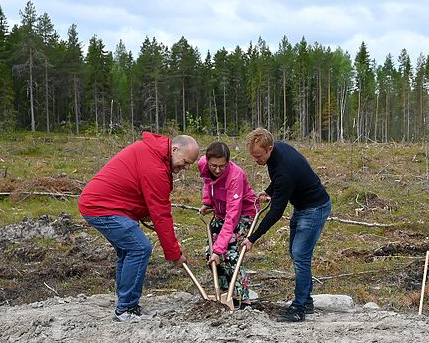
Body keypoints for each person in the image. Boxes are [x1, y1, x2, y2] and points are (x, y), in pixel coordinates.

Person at [78, 131, 199, 322]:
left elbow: (139, 191)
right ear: (174, 149)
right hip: (101, 206)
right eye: (185, 162)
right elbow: (162, 215)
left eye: (189, 165)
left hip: (106, 205)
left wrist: (143, 212)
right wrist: (174, 253)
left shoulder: (154, 154)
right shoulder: (155, 166)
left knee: (129, 251)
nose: (185, 167)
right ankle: (125, 308)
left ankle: (127, 305)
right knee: (139, 248)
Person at [240, 128, 331, 322]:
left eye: (258, 156)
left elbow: (276, 213)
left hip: (315, 208)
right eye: (253, 156)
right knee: (295, 252)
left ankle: (299, 308)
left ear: (269, 148)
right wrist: (269, 191)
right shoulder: (277, 154)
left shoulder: (284, 168)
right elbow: (280, 182)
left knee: (300, 255)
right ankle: (306, 300)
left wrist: (252, 238)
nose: (256, 161)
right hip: (302, 206)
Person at [198, 142, 258, 306]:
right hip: (221, 212)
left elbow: (232, 216)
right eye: (213, 166)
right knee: (210, 254)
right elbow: (207, 182)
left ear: (228, 162)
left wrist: (219, 250)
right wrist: (208, 202)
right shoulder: (203, 165)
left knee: (230, 255)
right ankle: (226, 293)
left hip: (243, 214)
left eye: (222, 166)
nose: (217, 170)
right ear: (207, 161)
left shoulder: (235, 176)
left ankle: (242, 298)